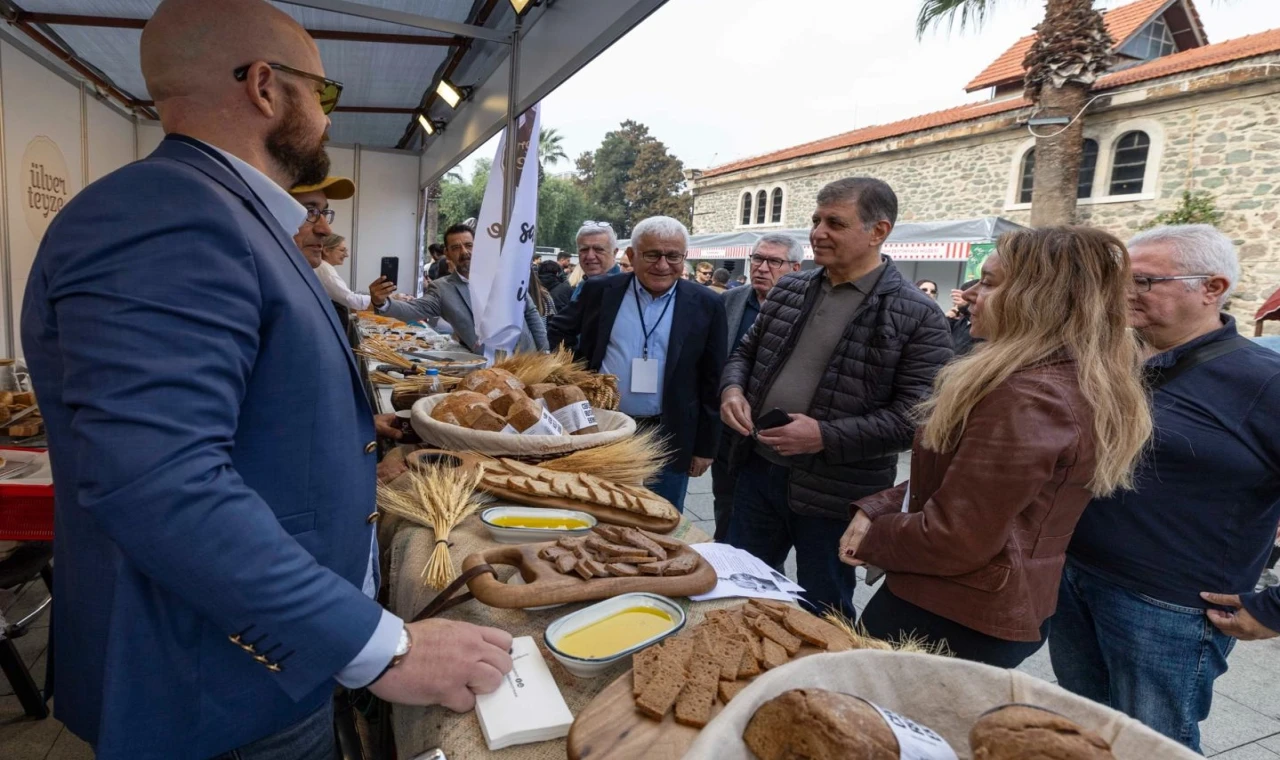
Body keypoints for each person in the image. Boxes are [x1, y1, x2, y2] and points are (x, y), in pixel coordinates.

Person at [18, 1, 513, 756]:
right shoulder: (171, 215)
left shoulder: (221, 214)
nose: (324, 116)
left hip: (255, 662)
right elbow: (160, 483)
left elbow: (244, 404)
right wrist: (385, 648)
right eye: (324, 93)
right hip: (214, 680)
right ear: (263, 87)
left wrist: (352, 440)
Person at [839, 227, 1152, 668]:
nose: (969, 294)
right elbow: (977, 485)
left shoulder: (1027, 394)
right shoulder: (1070, 379)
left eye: (988, 283)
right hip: (979, 606)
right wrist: (881, 503)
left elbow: (955, 538)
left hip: (951, 612)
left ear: (1038, 297)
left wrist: (877, 533)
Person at [1049, 224, 1280, 753]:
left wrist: (1272, 610)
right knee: (1088, 732)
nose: (1124, 294)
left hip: (1170, 611)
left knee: (1153, 746)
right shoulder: (1117, 360)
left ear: (1212, 288)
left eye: (1145, 281)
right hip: (1074, 582)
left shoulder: (1264, 381)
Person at [719, 177, 952, 618]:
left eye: (835, 223)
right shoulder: (792, 289)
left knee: (822, 608)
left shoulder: (918, 316)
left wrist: (824, 435)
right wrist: (731, 388)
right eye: (815, 220)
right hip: (758, 473)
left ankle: (814, 684)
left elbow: (915, 418)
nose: (817, 232)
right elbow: (745, 353)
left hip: (835, 494)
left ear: (878, 231)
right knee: (740, 587)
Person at [548, 216, 728, 512]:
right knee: (596, 512)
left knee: (660, 517)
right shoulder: (601, 291)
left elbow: (713, 378)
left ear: (684, 258)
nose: (662, 265)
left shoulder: (706, 304)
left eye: (673, 256)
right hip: (605, 428)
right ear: (631, 255)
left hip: (668, 434)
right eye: (652, 254)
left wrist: (706, 447)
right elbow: (559, 329)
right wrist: (575, 374)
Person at [711, 234, 803, 541]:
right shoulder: (729, 301)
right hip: (729, 428)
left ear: (795, 267)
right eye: (757, 258)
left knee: (765, 527)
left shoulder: (806, 309)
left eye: (774, 261)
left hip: (776, 435)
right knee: (725, 504)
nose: (762, 268)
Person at [371, 223, 549, 354]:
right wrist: (382, 303)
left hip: (528, 360)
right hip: (488, 369)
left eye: (469, 245)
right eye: (456, 248)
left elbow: (531, 313)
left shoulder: (505, 278)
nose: (464, 252)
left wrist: (545, 353)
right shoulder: (442, 289)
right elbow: (412, 310)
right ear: (447, 253)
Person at [570, 221, 622, 301]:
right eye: (584, 249)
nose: (590, 256)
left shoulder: (625, 290)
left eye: (598, 249)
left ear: (614, 253)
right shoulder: (583, 284)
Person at [946, 279, 981, 357]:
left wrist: (966, 306)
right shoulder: (961, 321)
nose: (959, 301)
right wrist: (948, 319)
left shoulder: (984, 325)